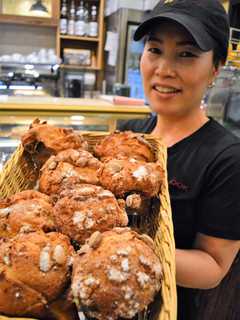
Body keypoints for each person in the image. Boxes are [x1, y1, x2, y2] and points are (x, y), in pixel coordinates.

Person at [117, 0, 240, 319]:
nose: (164, 70)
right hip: (114, 299)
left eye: (186, 54)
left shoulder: (227, 159)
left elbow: (213, 267)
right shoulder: (130, 135)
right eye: (155, 49)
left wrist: (123, 251)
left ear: (216, 67)